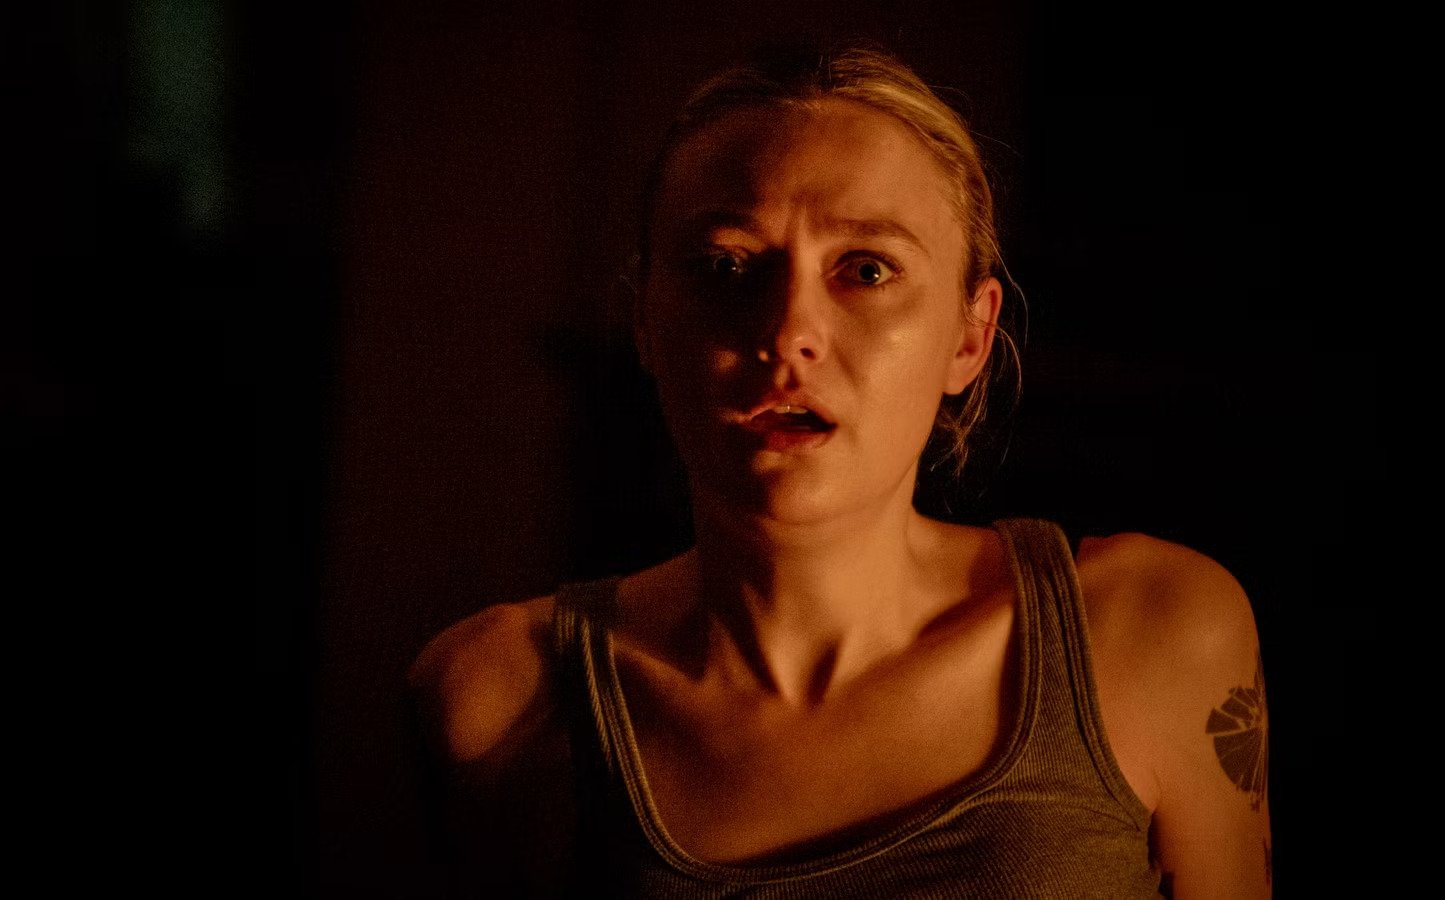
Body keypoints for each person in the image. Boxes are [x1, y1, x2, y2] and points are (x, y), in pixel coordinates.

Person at [410, 44, 1271, 898]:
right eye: (728, 266)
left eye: (866, 270)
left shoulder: (1151, 631)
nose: (789, 335)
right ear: (643, 318)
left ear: (970, 337)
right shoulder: (504, 701)